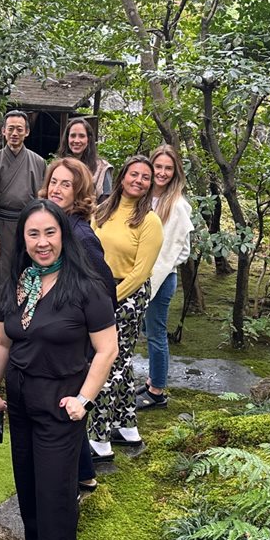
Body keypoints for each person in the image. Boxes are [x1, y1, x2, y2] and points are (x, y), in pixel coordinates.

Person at [0, 199, 118, 540]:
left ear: (63, 235)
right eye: (33, 234)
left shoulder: (85, 285)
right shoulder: (21, 281)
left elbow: (107, 349)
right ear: (22, 240)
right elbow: (3, 340)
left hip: (62, 402)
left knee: (56, 490)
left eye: (49, 233)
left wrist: (84, 399)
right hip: (21, 399)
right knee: (26, 481)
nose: (42, 242)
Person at [40, 157, 113, 492]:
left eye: (65, 184)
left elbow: (103, 289)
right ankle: (85, 474)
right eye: (54, 181)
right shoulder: (54, 224)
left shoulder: (80, 235)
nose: (56, 188)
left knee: (68, 404)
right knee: (66, 404)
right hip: (55, 334)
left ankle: (74, 478)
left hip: (75, 338)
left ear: (79, 191)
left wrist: (86, 330)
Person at [89, 155, 163, 460]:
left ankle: (99, 437)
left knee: (106, 364)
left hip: (126, 297)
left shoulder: (150, 221)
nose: (139, 181)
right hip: (98, 290)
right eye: (134, 174)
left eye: (145, 177)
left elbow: (141, 272)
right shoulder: (103, 210)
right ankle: (127, 426)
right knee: (119, 363)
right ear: (122, 177)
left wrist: (110, 299)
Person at [0, 110, 46, 337]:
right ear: (4, 132)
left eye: (19, 129)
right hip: (1, 229)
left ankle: (27, 327)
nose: (15, 133)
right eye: (11, 129)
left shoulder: (38, 162)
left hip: (29, 230)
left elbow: (42, 199)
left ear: (27, 132)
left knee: (30, 276)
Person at [137, 145, 194, 410]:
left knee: (156, 334)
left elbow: (179, 250)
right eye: (157, 167)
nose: (161, 173)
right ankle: (152, 381)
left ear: (175, 172)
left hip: (159, 278)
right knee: (148, 331)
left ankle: (157, 392)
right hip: (140, 273)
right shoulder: (144, 197)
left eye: (167, 168)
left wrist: (151, 279)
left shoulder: (178, 206)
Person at [56, 116, 112, 199]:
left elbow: (105, 203)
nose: (76, 140)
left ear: (88, 139)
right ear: (67, 138)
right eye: (73, 136)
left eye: (81, 136)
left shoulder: (102, 168)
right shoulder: (58, 166)